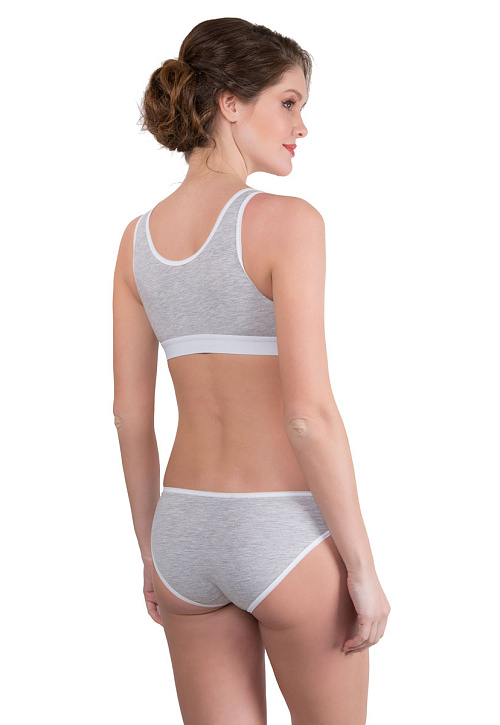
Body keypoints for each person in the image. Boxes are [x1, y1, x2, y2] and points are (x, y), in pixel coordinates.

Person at [113, 17, 391, 725]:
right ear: (230, 103)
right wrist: (362, 567)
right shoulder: (288, 223)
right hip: (283, 532)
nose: (302, 126)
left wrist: (153, 553)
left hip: (183, 532)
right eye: (289, 102)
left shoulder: (136, 242)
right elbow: (308, 416)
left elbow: (129, 416)